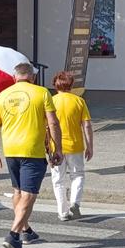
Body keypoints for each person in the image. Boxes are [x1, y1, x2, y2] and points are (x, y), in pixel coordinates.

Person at [0, 62, 63, 248]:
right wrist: (58, 149)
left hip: (11, 150)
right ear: (33, 77)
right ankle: (13, 235)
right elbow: (53, 122)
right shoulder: (42, 93)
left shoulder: (2, 96)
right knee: (29, 195)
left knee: (18, 191)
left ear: (15, 78)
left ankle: (26, 231)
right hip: (32, 150)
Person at [49, 71, 93, 220]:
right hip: (75, 145)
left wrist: (46, 146)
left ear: (56, 85)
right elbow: (86, 125)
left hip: (56, 147)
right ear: (71, 85)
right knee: (78, 175)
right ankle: (75, 202)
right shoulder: (79, 101)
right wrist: (90, 146)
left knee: (58, 180)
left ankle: (63, 212)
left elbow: (46, 126)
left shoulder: (51, 101)